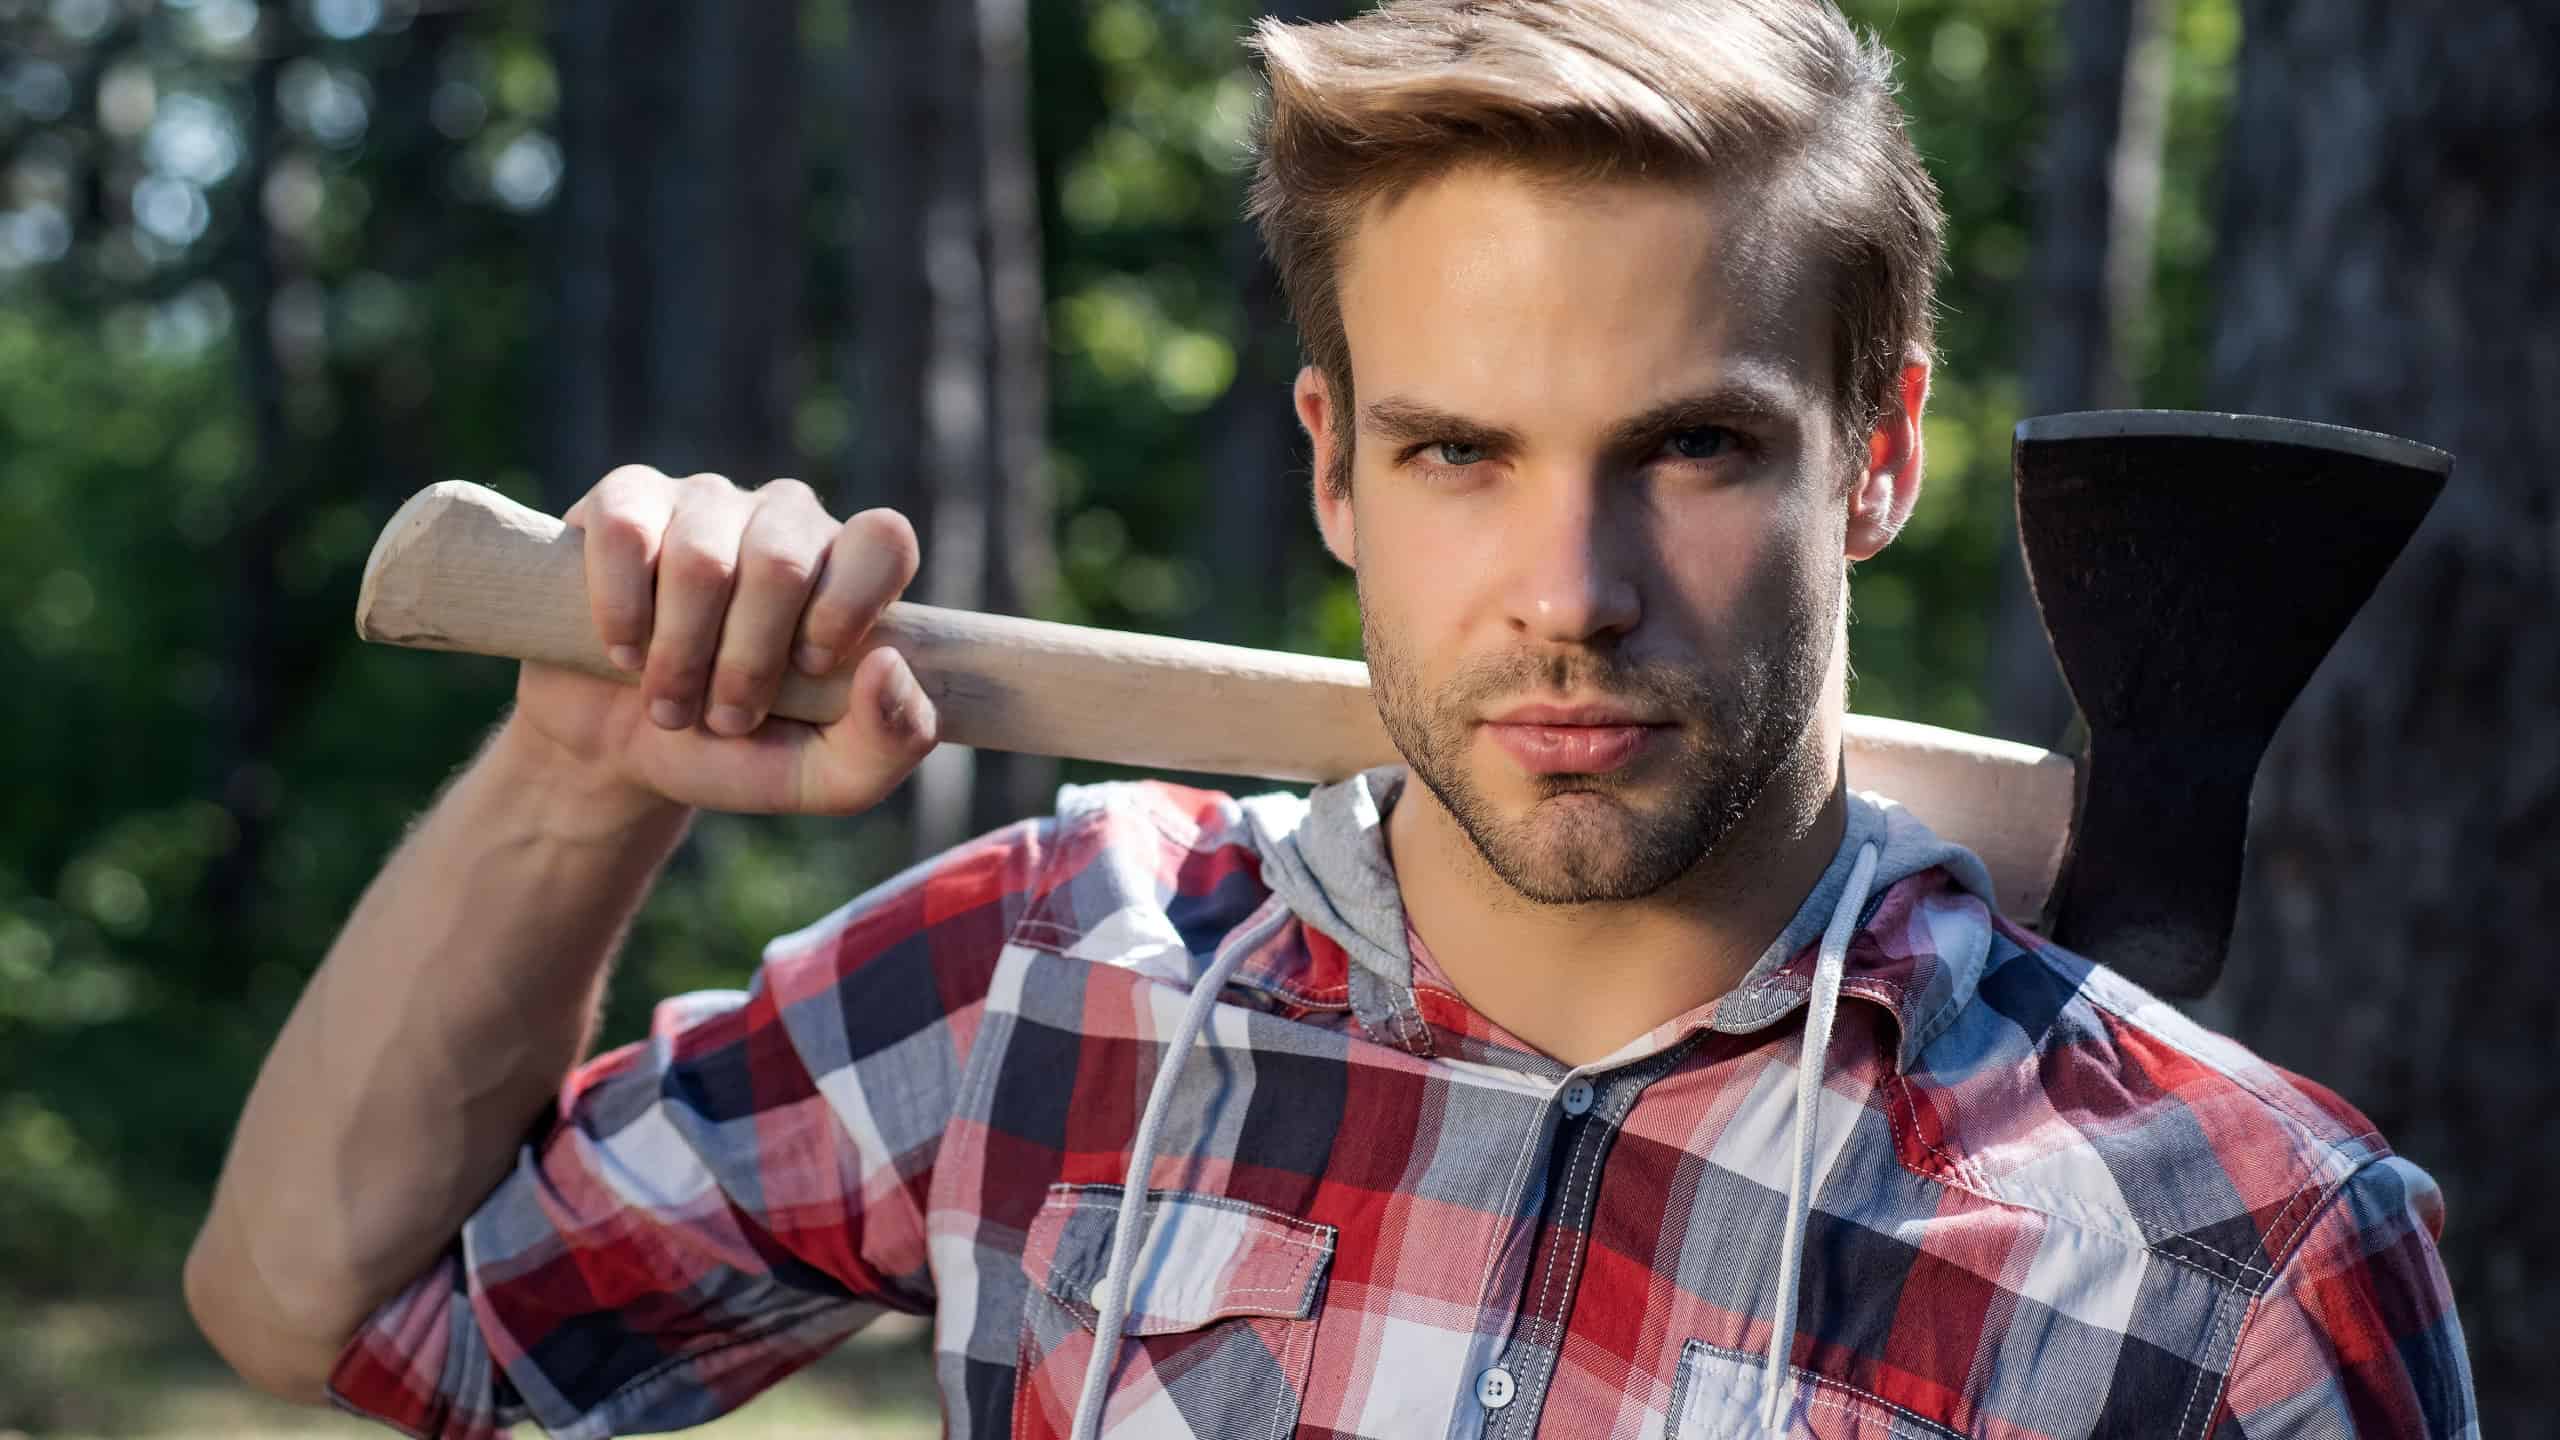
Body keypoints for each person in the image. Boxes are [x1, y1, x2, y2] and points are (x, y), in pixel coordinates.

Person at [184, 2, 2476, 1436]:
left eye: (1687, 448)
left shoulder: (2233, 1257)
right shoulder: (1048, 981)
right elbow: (335, 1316)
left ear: (1870, 457)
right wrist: (579, 779)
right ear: (1328, 465)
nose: (1566, 601)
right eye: (1458, 450)